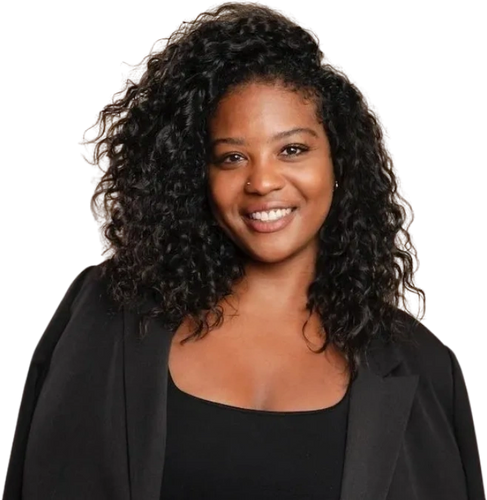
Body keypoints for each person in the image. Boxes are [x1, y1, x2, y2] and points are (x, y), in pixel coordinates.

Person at [2, 1, 484, 499]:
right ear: (198, 175)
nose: (263, 181)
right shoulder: (101, 315)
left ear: (339, 162)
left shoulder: (426, 369)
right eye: (232, 157)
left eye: (292, 150)